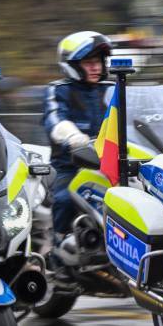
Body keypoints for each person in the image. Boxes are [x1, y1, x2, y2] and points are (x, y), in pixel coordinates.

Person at [42, 31, 113, 279]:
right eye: (89, 62)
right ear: (72, 66)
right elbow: (54, 119)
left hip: (113, 165)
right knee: (64, 197)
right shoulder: (58, 90)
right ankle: (58, 253)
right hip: (71, 166)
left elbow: (135, 120)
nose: (96, 67)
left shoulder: (114, 89)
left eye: (99, 61)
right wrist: (73, 137)